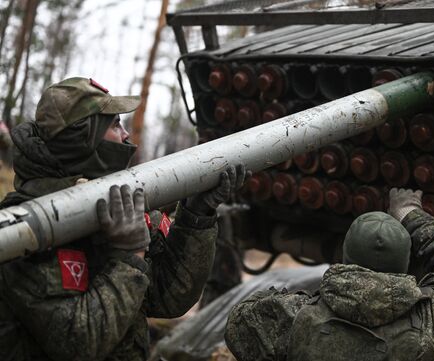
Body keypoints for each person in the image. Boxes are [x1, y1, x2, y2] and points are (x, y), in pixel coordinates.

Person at [0, 77, 248, 361]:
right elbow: (78, 343)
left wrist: (196, 216)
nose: (127, 136)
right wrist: (128, 256)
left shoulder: (116, 200)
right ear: (84, 139)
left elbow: (169, 298)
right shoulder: (28, 229)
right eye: (115, 124)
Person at [225, 188, 434, 361]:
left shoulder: (292, 318)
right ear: (405, 265)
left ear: (345, 257)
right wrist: (410, 214)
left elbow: (237, 327)